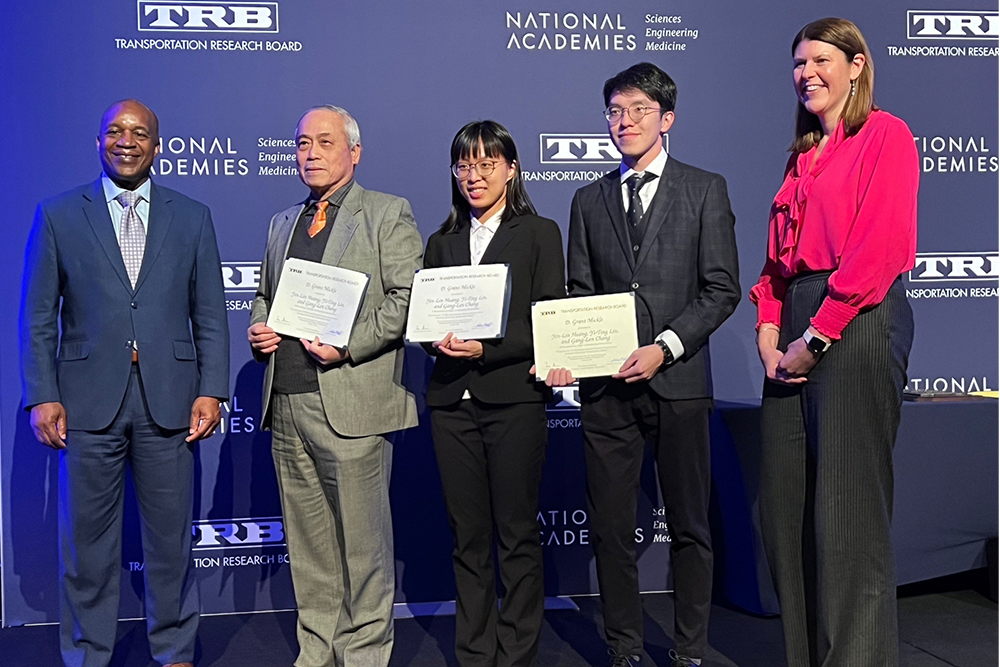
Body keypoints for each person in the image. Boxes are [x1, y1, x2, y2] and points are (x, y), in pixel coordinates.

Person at [19, 99, 229, 667]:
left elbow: (210, 313)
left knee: (171, 543)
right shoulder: (60, 213)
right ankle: (88, 653)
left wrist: (211, 389)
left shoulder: (192, 216)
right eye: (115, 130)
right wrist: (43, 394)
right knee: (86, 546)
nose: (126, 140)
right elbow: (38, 316)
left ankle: (176, 649)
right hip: (86, 405)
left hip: (172, 402)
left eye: (139, 132)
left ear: (158, 147)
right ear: (98, 142)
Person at [553, 63, 740, 667]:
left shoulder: (705, 188)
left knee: (690, 526)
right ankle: (624, 649)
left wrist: (664, 346)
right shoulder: (588, 199)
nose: (623, 121)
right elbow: (580, 291)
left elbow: (721, 289)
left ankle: (689, 650)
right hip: (607, 391)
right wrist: (573, 354)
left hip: (680, 383)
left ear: (667, 118)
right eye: (614, 111)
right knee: (609, 529)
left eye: (637, 109)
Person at [749, 17, 918, 667]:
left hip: (856, 320)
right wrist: (770, 333)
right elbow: (773, 266)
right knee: (787, 518)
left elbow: (877, 249)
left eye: (822, 58)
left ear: (856, 67)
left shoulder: (886, 135)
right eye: (798, 62)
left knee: (848, 523)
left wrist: (814, 338)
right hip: (792, 326)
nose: (807, 72)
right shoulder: (800, 158)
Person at [247, 105, 423, 667]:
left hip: (352, 400)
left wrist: (350, 345)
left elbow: (407, 298)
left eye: (324, 142)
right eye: (302, 143)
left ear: (354, 151)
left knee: (363, 544)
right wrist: (258, 325)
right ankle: (317, 650)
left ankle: (366, 654)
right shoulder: (282, 222)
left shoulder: (386, 212)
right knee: (309, 544)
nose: (311, 153)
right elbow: (265, 296)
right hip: (288, 400)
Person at [423, 121, 565, 667]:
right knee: (468, 538)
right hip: (450, 407)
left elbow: (547, 320)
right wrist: (435, 339)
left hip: (513, 401)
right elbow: (426, 320)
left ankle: (517, 652)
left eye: (487, 164)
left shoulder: (538, 233)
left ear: (511, 169)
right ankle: (475, 652)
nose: (474, 176)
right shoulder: (442, 242)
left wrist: (488, 349)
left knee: (517, 533)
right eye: (464, 165)